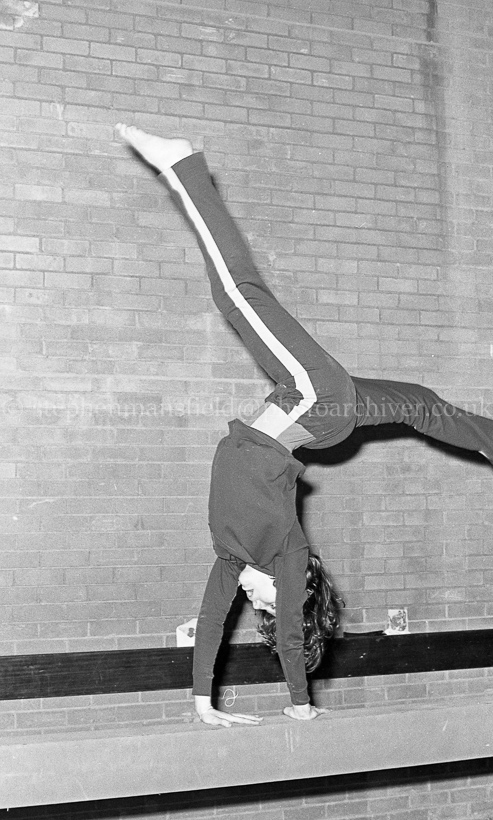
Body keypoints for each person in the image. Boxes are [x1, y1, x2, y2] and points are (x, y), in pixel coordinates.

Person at [116, 124, 493, 728]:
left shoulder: (229, 560)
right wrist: (299, 703)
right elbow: (292, 634)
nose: (253, 604)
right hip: (313, 405)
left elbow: (210, 622)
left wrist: (202, 702)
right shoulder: (288, 557)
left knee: (421, 404)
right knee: (240, 298)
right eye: (263, 605)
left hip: (323, 418)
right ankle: (183, 166)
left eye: (258, 608)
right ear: (290, 589)